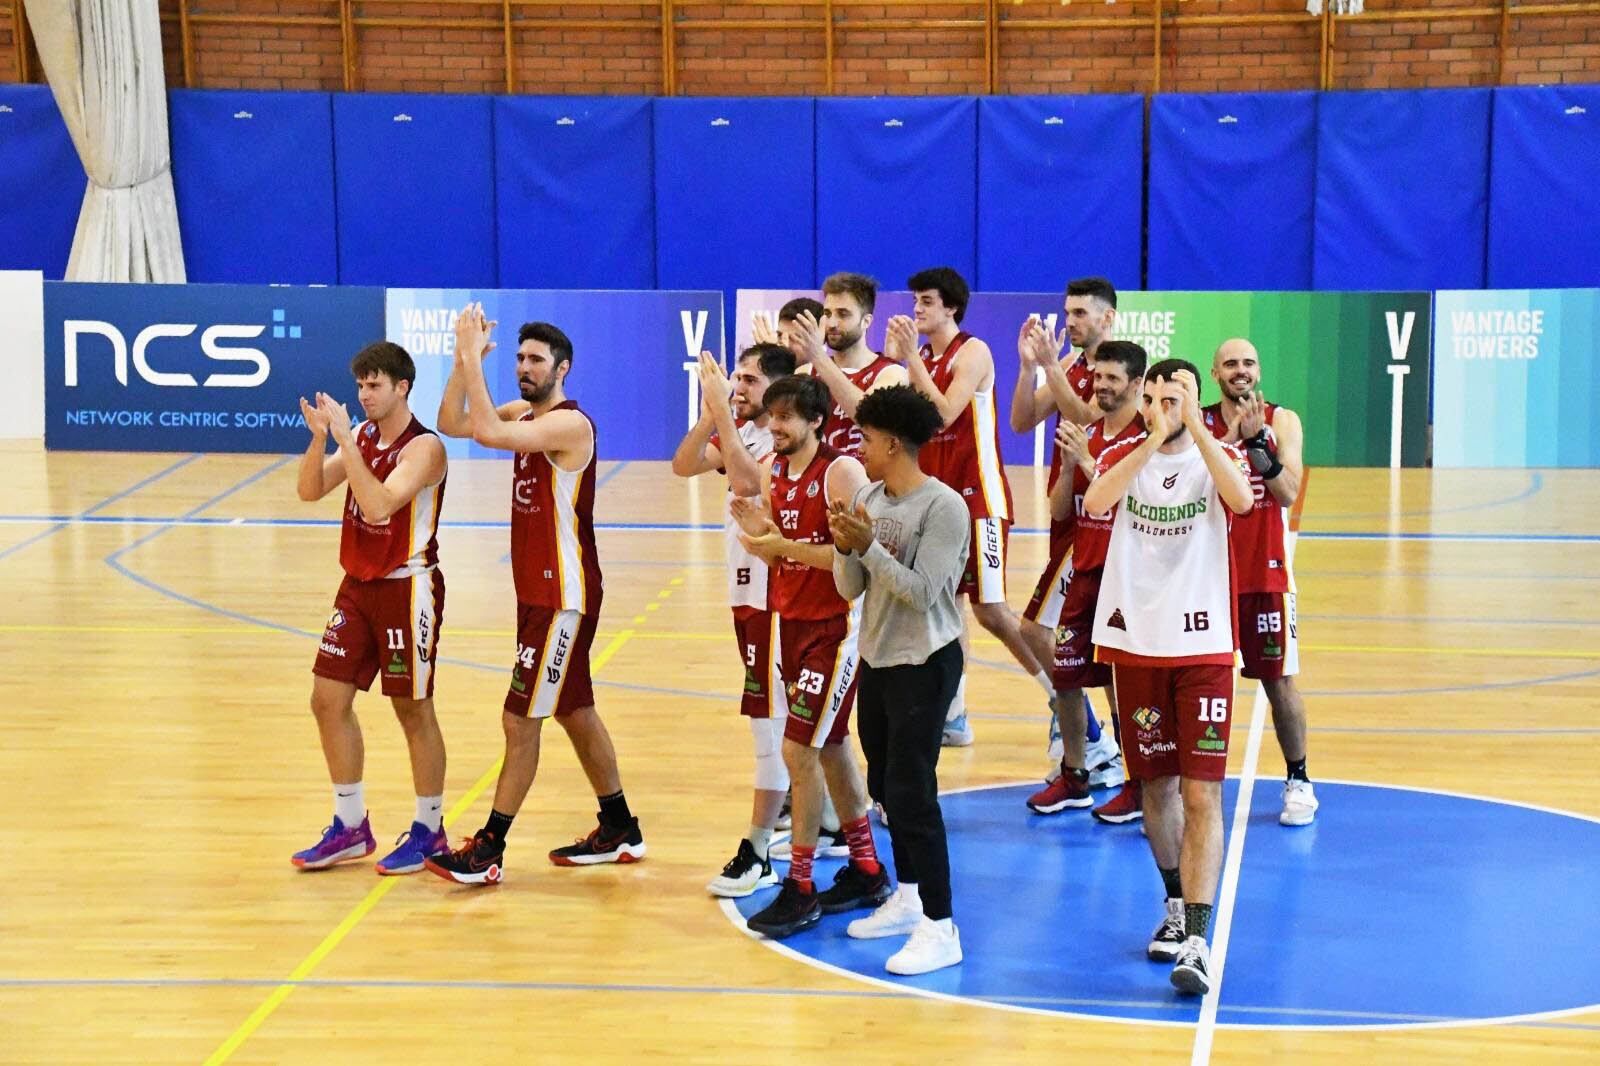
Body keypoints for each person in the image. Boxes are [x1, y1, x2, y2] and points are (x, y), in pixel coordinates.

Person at [425, 304, 643, 885]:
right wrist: (459, 362)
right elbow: (453, 421)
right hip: (537, 595)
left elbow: (490, 433)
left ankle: (489, 848)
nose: (524, 367)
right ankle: (620, 824)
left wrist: (473, 356)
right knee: (574, 710)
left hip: (561, 598)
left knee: (520, 721)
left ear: (562, 369)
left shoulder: (571, 425)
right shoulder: (526, 412)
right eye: (519, 358)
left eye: (535, 360)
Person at [1085, 359, 1254, 995]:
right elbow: (1097, 503)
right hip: (1136, 645)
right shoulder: (1128, 455)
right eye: (1152, 397)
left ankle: (1200, 942)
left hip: (1204, 646)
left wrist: (1198, 431)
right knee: (1154, 787)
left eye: (1174, 396)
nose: (1161, 405)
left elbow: (1240, 499)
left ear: (1196, 399)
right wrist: (1153, 438)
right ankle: (1176, 903)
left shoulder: (1217, 458)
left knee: (1202, 792)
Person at [732, 375, 888, 938]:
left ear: (817, 422)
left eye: (787, 417)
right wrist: (761, 538)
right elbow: (784, 560)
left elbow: (854, 561)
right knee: (831, 747)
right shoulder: (777, 472)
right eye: (771, 415)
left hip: (836, 629)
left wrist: (781, 546)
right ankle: (868, 869)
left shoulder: (840, 472)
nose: (774, 425)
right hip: (792, 627)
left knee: (798, 749)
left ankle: (800, 885)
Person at [291, 341, 451, 876]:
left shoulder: (423, 449)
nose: (364, 395)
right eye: (360, 385)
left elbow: (380, 506)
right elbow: (310, 490)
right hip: (357, 586)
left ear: (402, 387)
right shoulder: (357, 436)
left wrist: (347, 447)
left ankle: (430, 829)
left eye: (374, 385)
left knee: (412, 709)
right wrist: (320, 441)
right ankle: (351, 825)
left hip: (407, 588)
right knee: (326, 699)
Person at [830, 385, 969, 975]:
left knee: (914, 795)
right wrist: (844, 548)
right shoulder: (868, 495)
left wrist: (869, 549)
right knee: (886, 786)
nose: (859, 447)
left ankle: (942, 925)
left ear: (892, 443)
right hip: (879, 660)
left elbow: (921, 593)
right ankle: (908, 897)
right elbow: (849, 590)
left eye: (865, 437)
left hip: (926, 663)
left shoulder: (944, 508)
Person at [671, 342, 802, 896]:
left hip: (777, 597)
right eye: (737, 377)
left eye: (748, 379)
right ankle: (830, 819)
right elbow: (682, 464)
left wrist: (722, 410)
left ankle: (757, 848)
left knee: (771, 724)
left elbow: (752, 483)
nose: (737, 386)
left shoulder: (777, 443)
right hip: (747, 595)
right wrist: (711, 415)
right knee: (782, 720)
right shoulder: (741, 433)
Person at [890, 267, 1035, 748]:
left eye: (927, 301)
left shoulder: (973, 351)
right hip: (939, 500)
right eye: (915, 301)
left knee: (990, 610)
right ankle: (954, 714)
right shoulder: (919, 357)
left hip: (980, 497)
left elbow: (942, 416)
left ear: (950, 306)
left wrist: (910, 359)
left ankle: (1063, 701)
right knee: (944, 604)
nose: (917, 309)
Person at [1014, 276, 1132, 817]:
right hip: (1071, 521)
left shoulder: (1116, 375)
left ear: (1107, 319)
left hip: (1104, 526)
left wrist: (1055, 369)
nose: (1070, 321)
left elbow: (1090, 419)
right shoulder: (1076, 369)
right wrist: (1028, 367)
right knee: (1066, 650)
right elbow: (1021, 421)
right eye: (1068, 311)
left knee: (1064, 640)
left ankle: (1104, 754)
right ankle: (1085, 758)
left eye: (1081, 313)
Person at [1203, 338, 1317, 826]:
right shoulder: (1198, 423)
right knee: (1202, 684)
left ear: (1259, 369)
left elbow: (1289, 492)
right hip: (1204, 578)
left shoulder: (1282, 420)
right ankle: (1198, 785)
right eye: (1230, 363)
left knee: (1279, 681)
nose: (1241, 370)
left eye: (1249, 362)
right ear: (1215, 373)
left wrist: (1254, 442)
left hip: (1263, 574)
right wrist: (1227, 441)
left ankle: (1299, 777)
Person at [787, 273, 907, 459]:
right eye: (827, 314)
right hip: (818, 483)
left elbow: (868, 417)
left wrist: (819, 357)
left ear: (866, 321)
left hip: (868, 483)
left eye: (843, 314)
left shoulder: (891, 373)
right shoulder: (805, 372)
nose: (832, 323)